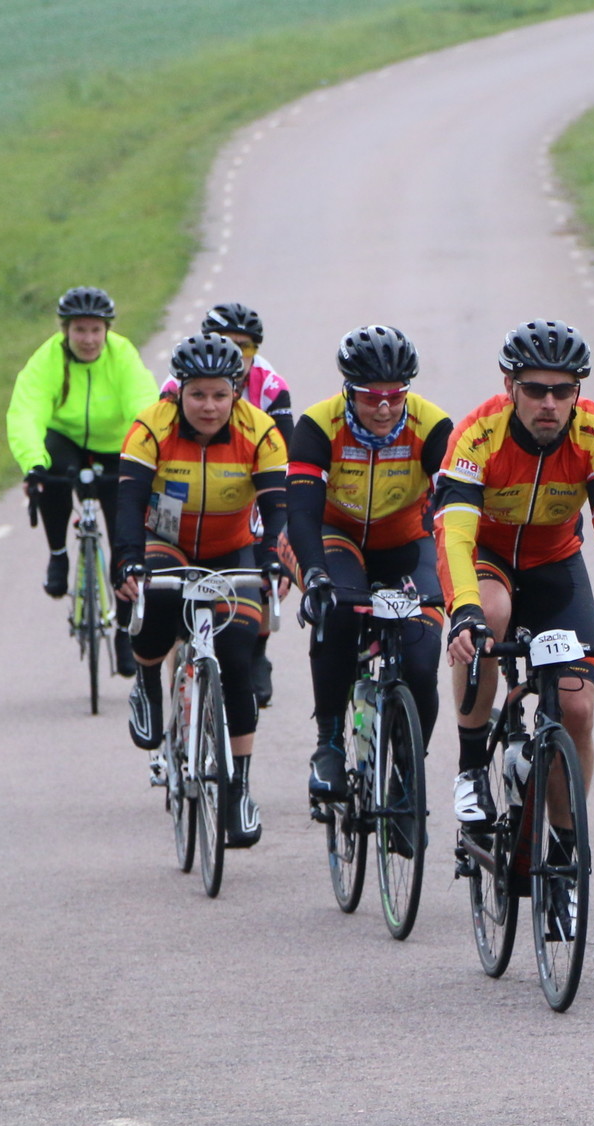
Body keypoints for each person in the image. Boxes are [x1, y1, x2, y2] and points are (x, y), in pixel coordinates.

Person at [435, 321, 594, 825]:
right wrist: (464, 611)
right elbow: (455, 534)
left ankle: (564, 847)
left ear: (578, 391)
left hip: (555, 564)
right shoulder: (477, 433)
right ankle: (471, 767)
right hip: (489, 557)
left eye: (563, 391)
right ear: (509, 386)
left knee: (577, 711)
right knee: (490, 611)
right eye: (535, 390)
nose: (550, 404)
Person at [114, 334, 288, 849]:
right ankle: (148, 680)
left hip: (231, 549)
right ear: (179, 393)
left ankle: (238, 790)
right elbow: (128, 504)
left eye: (219, 394)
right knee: (160, 599)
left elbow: (277, 509)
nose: (209, 406)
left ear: (236, 391)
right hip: (166, 542)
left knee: (237, 658)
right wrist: (127, 560)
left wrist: (275, 557)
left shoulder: (261, 431)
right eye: (197, 395)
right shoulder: (151, 428)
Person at [286, 326, 453, 803]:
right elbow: (302, 513)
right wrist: (314, 575)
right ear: (348, 391)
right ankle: (329, 744)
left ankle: (406, 771)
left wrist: (459, 580)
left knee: (422, 657)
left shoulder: (432, 426)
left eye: (395, 396)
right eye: (370, 398)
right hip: (336, 537)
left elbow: (454, 508)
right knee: (337, 610)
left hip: (406, 542)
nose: (384, 408)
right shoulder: (317, 426)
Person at [6, 285, 159, 675]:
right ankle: (58, 554)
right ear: (65, 331)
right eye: (79, 330)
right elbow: (26, 412)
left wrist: (150, 456)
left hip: (114, 444)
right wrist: (33, 465)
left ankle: (124, 631)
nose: (88, 339)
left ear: (107, 330)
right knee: (50, 474)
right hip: (67, 440)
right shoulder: (47, 359)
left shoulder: (122, 355)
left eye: (95, 330)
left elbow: (143, 404)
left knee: (125, 537)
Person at [160, 302, 295, 709]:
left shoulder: (271, 387)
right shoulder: (177, 383)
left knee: (264, 552)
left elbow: (283, 458)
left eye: (246, 347)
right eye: (227, 342)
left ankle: (256, 651)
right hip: (185, 480)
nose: (237, 353)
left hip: (246, 476)